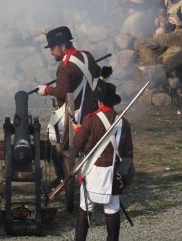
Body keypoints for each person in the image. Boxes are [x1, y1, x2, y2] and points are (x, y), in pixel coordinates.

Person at [35, 26, 102, 183]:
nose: (51, 51)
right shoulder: (87, 56)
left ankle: (61, 175)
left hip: (75, 113)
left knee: (52, 134)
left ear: (62, 46)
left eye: (52, 47)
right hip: (92, 110)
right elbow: (97, 74)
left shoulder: (64, 66)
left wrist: (46, 90)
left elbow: (61, 94)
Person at [71, 79, 133, 241]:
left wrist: (78, 131)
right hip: (113, 175)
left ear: (99, 101)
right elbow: (128, 153)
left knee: (85, 207)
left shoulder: (90, 119)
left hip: (92, 171)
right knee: (112, 208)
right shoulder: (123, 123)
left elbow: (77, 145)